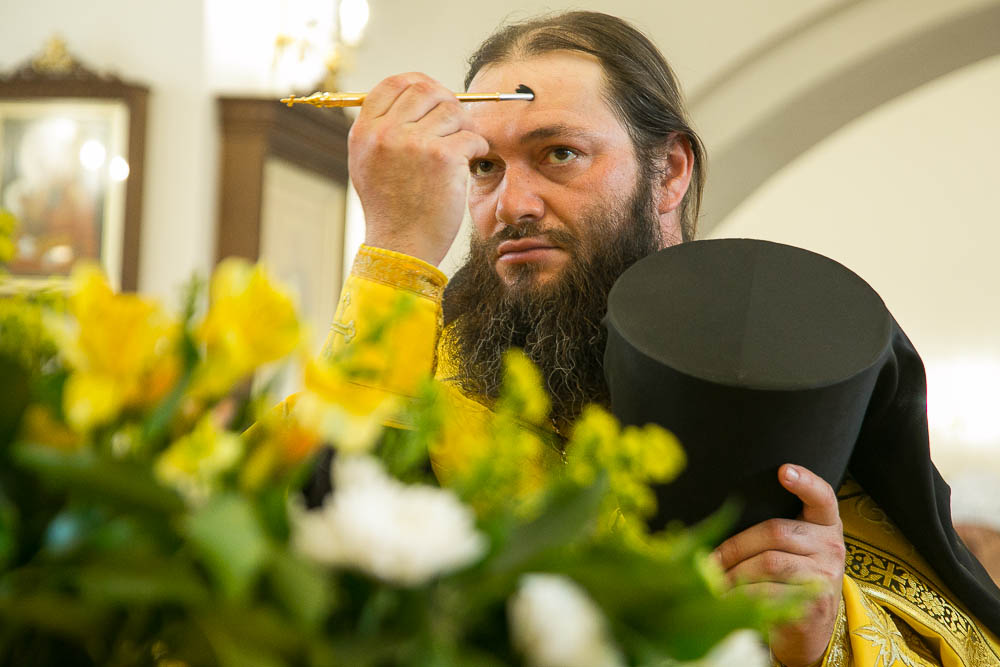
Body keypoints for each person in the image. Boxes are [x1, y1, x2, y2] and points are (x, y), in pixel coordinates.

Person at [316, 11, 1000, 666]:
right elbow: (299, 574)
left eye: (559, 154)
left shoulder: (764, 369)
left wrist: (824, 636)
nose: (512, 205)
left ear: (670, 170)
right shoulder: (413, 362)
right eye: (485, 167)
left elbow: (964, 646)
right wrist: (396, 247)